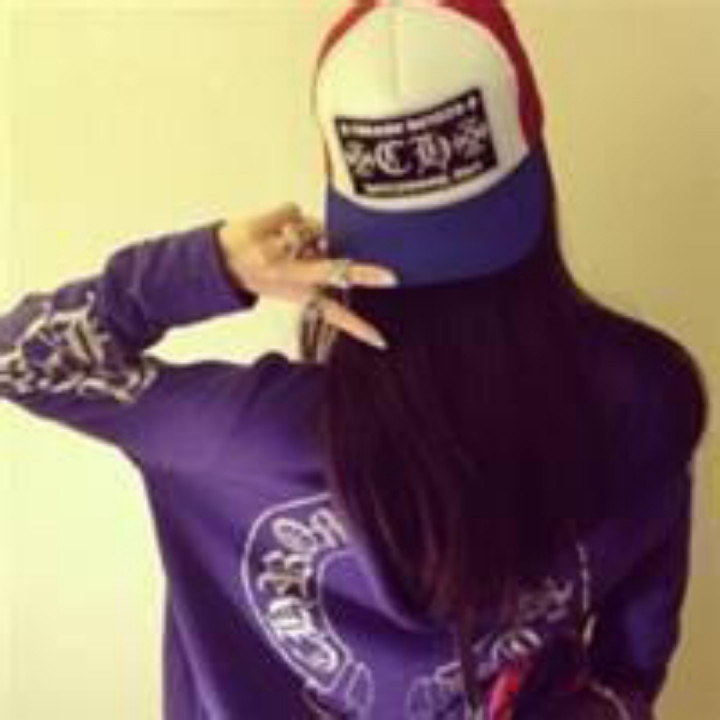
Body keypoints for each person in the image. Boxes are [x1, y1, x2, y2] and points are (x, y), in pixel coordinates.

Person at [1, 1, 709, 718]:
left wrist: (214, 267)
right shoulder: (646, 401)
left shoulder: (242, 441)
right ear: (536, 169)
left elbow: (19, 357)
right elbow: (631, 666)